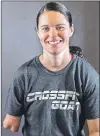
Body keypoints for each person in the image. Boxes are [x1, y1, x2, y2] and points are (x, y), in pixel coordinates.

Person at [3, 2, 99, 136]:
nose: (53, 34)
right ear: (37, 32)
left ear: (71, 29)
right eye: (45, 28)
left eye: (60, 27)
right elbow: (11, 124)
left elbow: (96, 130)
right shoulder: (24, 74)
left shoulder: (87, 75)